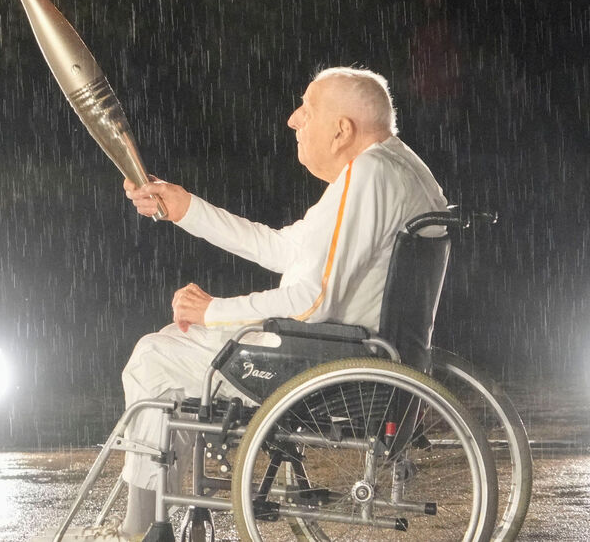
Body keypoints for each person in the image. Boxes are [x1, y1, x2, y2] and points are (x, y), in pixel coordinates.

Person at [87, 67, 448, 540]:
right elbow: (280, 247)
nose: (293, 119)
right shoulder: (395, 166)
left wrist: (212, 310)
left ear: (342, 130)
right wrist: (183, 207)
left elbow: (309, 300)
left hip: (324, 359)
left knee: (155, 356)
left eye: (308, 109)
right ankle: (172, 509)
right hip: (356, 350)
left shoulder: (370, 174)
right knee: (175, 349)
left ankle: (143, 527)